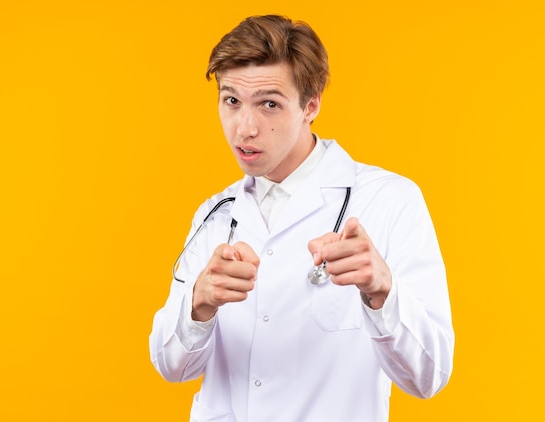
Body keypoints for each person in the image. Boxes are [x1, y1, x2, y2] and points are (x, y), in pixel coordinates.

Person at [149, 14, 454, 422]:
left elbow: (428, 377)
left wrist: (383, 291)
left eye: (269, 104)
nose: (245, 128)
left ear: (311, 105)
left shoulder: (390, 201)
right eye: (231, 101)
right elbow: (172, 368)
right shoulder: (215, 214)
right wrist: (198, 304)